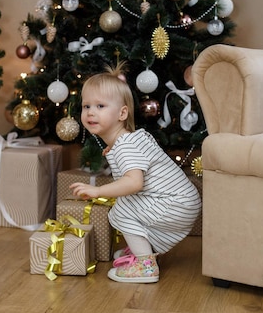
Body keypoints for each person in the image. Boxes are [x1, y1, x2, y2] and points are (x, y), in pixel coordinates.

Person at [70, 63, 202, 284]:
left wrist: (97, 190)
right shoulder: (126, 140)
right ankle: (145, 250)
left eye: (100, 106)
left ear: (122, 113)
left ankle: (145, 264)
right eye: (86, 106)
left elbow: (134, 183)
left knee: (121, 210)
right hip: (180, 201)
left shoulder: (126, 146)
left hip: (176, 204)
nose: (91, 112)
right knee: (127, 203)